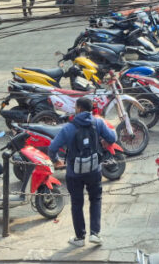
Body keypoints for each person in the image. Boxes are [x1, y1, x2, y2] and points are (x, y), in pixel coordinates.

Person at [48, 96, 116, 248]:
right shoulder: (98, 123)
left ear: (78, 109)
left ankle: (79, 238)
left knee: (77, 204)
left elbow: (52, 148)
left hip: (74, 173)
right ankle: (95, 234)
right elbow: (113, 137)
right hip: (94, 170)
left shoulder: (68, 128)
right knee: (96, 200)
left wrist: (56, 161)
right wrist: (106, 142)